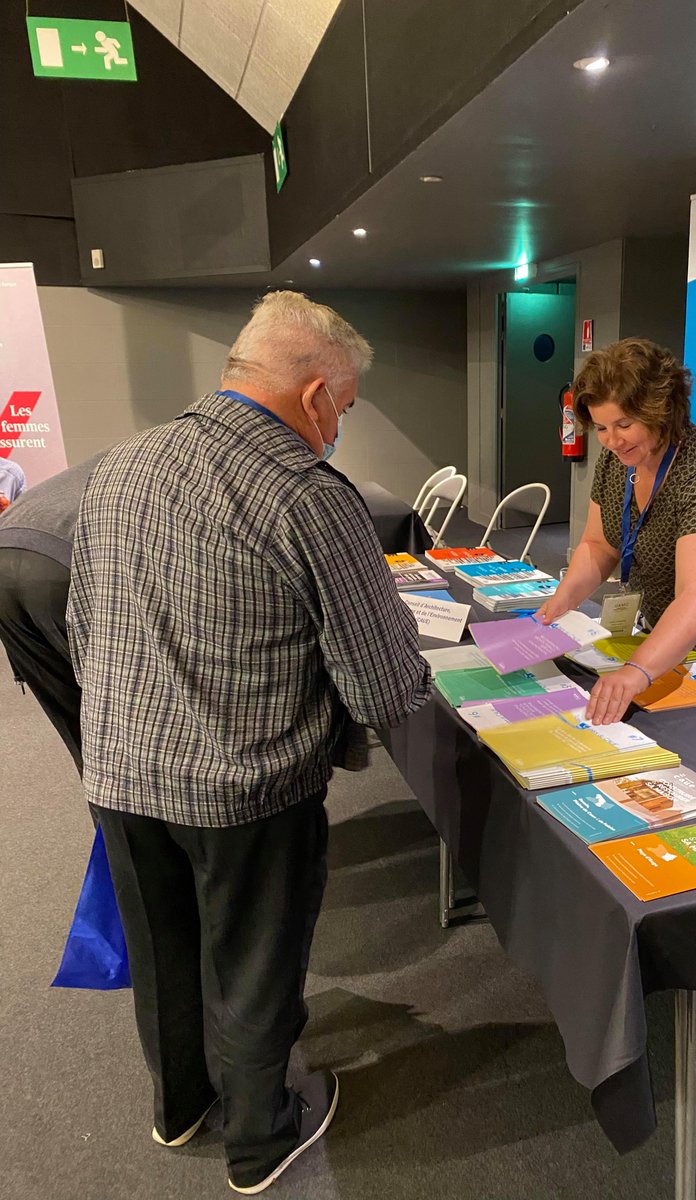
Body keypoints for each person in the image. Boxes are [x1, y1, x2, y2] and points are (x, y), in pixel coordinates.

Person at [67, 292, 432, 1194]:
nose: (338, 428)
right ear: (315, 397)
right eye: (342, 411)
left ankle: (178, 1105)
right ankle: (260, 1139)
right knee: (254, 962)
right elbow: (383, 683)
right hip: (248, 788)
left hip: (118, 773)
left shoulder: (117, 466)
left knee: (162, 953)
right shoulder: (309, 496)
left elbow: (85, 627)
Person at [538, 337, 696, 725]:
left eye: (624, 425)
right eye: (600, 427)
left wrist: (638, 670)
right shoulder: (618, 460)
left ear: (660, 411)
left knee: (690, 727)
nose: (611, 441)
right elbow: (599, 544)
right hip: (663, 613)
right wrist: (563, 599)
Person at [0, 454, 105, 771]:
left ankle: (105, 812)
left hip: (6, 552)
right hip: (58, 564)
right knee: (115, 707)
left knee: (75, 723)